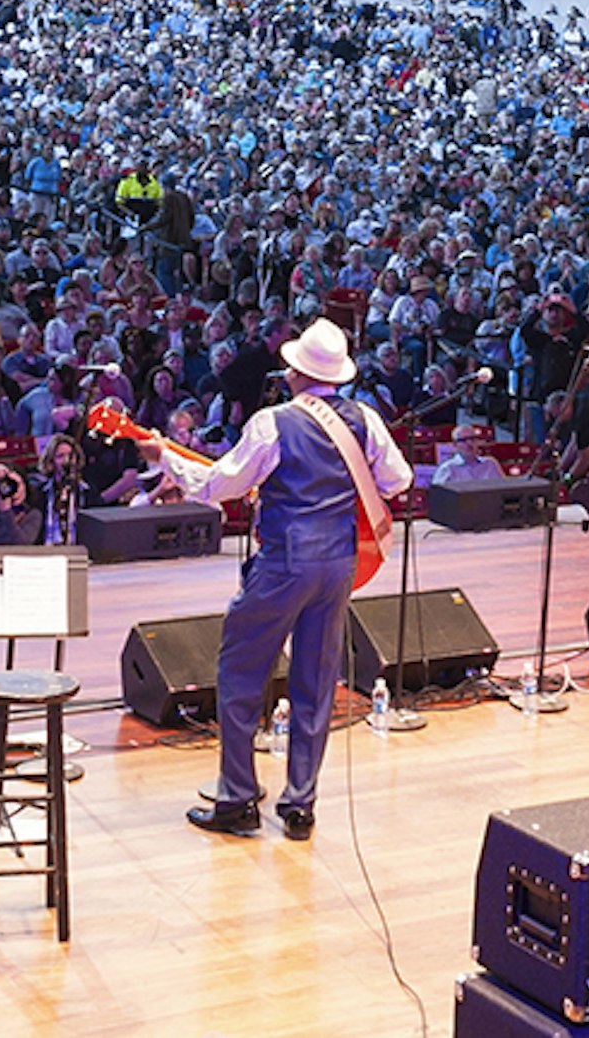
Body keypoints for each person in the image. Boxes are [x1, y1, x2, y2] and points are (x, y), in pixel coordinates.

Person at [157, 317, 410, 840]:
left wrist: (165, 458)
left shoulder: (274, 422)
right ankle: (300, 804)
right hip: (339, 562)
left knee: (241, 672)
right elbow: (399, 480)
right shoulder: (363, 417)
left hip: (283, 562)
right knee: (316, 683)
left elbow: (217, 487)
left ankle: (237, 799)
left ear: (294, 370)